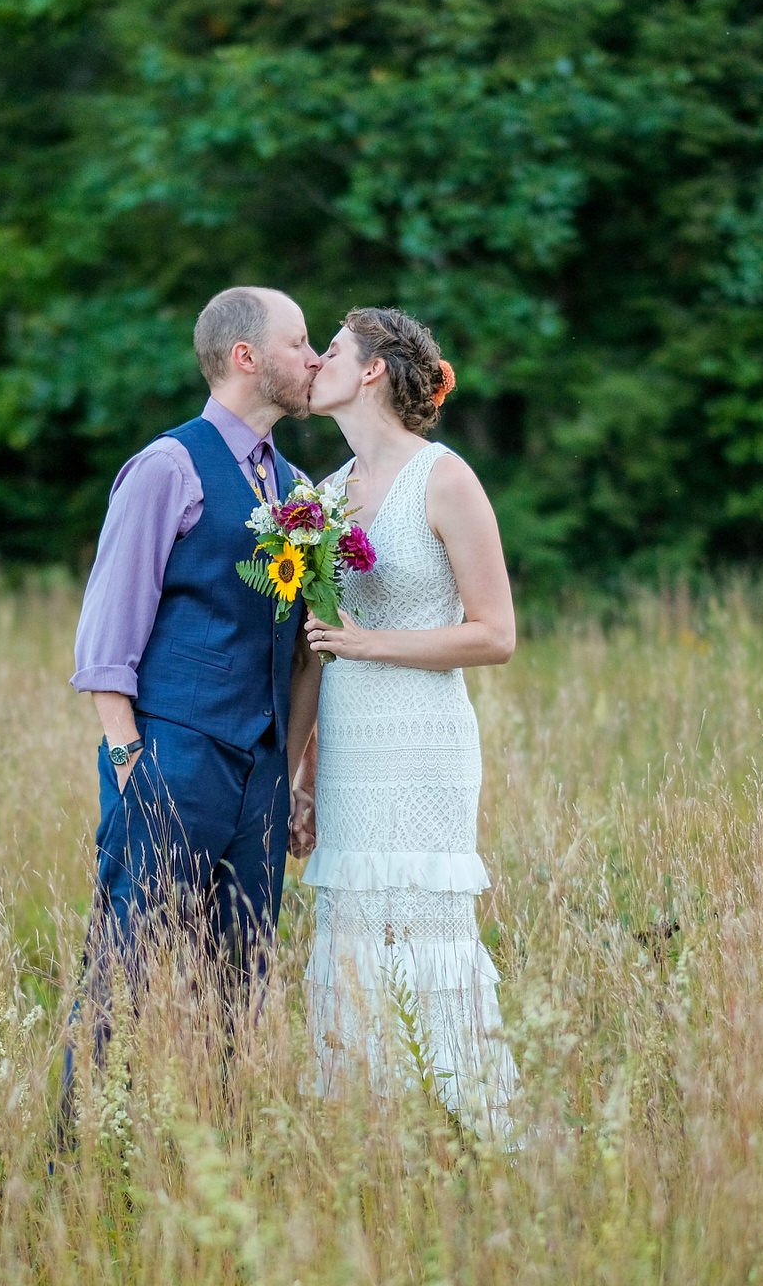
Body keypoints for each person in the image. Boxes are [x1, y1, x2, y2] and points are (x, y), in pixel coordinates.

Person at [63, 285, 321, 1110]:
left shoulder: (300, 488)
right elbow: (108, 633)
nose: (314, 359)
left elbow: (303, 650)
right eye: (300, 343)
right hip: (171, 758)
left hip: (262, 772)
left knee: (240, 984)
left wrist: (297, 775)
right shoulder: (167, 468)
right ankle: (80, 1158)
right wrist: (131, 756)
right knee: (123, 969)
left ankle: (220, 1152)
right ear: (246, 358)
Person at [288, 306, 520, 1141]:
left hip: (424, 744)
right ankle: (370, 1137)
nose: (316, 361)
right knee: (351, 935)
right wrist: (297, 779)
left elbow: (495, 633)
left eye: (334, 351)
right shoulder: (320, 499)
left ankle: (471, 1126)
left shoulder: (445, 478)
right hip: (347, 751)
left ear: (375, 370)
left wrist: (369, 642)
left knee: (423, 932)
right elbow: (313, 656)